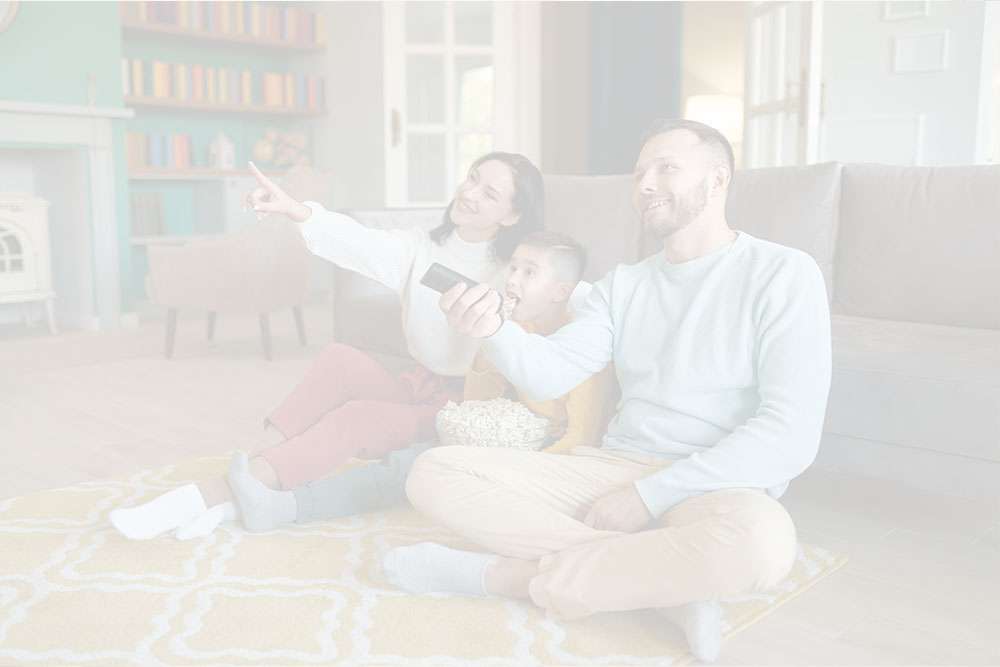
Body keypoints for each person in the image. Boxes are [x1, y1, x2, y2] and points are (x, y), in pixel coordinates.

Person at [381, 119, 833, 663]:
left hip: (717, 479)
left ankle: (506, 577)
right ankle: (663, 586)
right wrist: (495, 331)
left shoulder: (784, 273)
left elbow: (790, 436)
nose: (644, 183)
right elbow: (552, 372)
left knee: (764, 543)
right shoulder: (625, 286)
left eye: (666, 168)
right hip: (614, 466)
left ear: (718, 180)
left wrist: (648, 497)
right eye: (640, 171)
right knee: (434, 472)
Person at [109, 151, 544, 541]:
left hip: (466, 408)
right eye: (471, 178)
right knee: (339, 360)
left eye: (489, 194)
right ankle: (236, 489)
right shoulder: (420, 247)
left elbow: (550, 315)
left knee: (357, 417)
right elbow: (357, 241)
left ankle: (207, 496)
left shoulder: (513, 272)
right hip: (420, 382)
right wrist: (294, 210)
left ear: (510, 216)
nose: (469, 193)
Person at [224, 230, 615, 530]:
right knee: (409, 452)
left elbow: (579, 439)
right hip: (490, 425)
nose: (513, 279)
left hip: (536, 452)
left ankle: (287, 507)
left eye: (530, 273)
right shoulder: (516, 325)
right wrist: (489, 342)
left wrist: (515, 473)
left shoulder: (581, 350)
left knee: (407, 467)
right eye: (513, 268)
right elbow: (477, 401)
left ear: (561, 290)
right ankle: (266, 474)